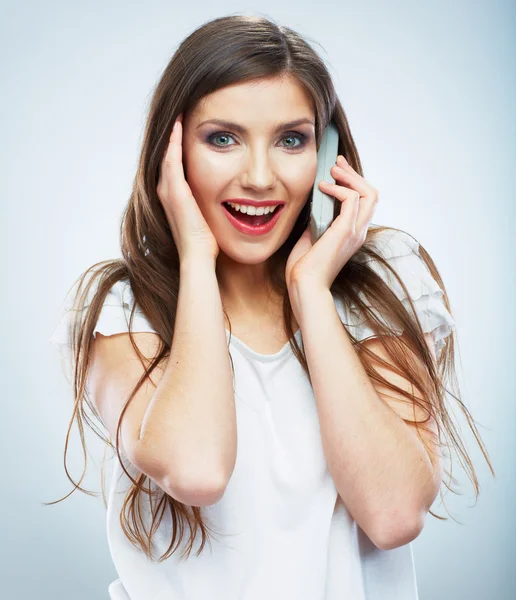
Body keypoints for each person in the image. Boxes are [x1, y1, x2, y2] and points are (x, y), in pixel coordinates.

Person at [47, 14, 494, 600]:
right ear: (172, 152)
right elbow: (198, 470)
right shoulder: (121, 309)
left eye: (291, 140)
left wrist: (311, 291)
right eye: (222, 138)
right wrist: (198, 258)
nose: (260, 178)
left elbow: (392, 514)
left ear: (327, 151)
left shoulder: (383, 282)